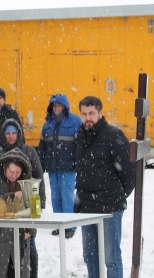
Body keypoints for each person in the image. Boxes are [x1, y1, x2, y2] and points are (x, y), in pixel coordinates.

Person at [75, 96, 135, 278]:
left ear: (100, 113)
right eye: (84, 114)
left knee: (111, 258)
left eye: (92, 113)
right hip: (87, 207)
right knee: (90, 256)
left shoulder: (113, 135)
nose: (88, 118)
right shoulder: (80, 135)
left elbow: (130, 173)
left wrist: (116, 196)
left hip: (110, 207)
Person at [0, 118, 46, 278]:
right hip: (4, 206)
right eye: (7, 133)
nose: (11, 136)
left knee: (30, 249)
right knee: (6, 250)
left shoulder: (29, 151)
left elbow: (39, 177)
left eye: (14, 133)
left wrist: (40, 202)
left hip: (27, 206)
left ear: (19, 134)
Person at [0, 147, 35, 278]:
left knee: (18, 271)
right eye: (12, 171)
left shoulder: (27, 182)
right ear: (5, 167)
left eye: (18, 172)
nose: (14, 175)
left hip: (19, 234)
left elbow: (32, 207)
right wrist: (13, 196)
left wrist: (30, 230)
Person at [37, 93, 82, 239]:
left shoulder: (75, 121)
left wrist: (78, 164)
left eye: (59, 105)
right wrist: (41, 164)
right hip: (53, 167)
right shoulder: (47, 124)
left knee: (67, 196)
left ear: (65, 106)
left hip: (68, 167)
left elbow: (80, 146)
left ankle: (70, 226)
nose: (56, 108)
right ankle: (59, 224)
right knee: (56, 197)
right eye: (54, 105)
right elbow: (42, 147)